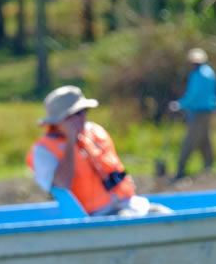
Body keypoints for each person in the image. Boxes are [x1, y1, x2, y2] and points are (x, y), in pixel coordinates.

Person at [29, 85, 152, 217]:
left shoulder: (95, 132)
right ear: (59, 120)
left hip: (128, 204)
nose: (83, 117)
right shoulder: (43, 150)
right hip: (95, 217)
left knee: (161, 213)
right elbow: (62, 183)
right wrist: (71, 141)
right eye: (76, 113)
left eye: (85, 111)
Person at [171, 47, 216, 179]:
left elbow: (194, 95)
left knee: (190, 140)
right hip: (208, 110)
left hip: (199, 112)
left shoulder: (198, 75)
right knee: (204, 140)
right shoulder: (210, 72)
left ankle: (180, 170)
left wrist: (180, 104)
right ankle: (209, 167)